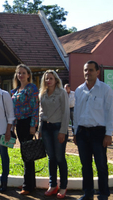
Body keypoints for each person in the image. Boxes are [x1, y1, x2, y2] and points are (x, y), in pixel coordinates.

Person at [73, 60, 113, 200]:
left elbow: (111, 112)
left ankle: (103, 193)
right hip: (82, 132)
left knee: (101, 165)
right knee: (85, 166)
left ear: (97, 72)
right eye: (86, 70)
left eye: (91, 70)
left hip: (98, 133)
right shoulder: (79, 90)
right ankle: (88, 193)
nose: (88, 73)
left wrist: (108, 134)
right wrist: (75, 132)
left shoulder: (105, 89)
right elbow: (76, 114)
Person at [39, 70, 70, 199]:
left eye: (51, 78)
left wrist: (63, 131)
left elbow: (66, 113)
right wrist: (40, 129)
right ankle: (53, 185)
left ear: (56, 80)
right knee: (51, 158)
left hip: (58, 127)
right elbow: (41, 112)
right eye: (46, 78)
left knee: (59, 157)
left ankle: (63, 186)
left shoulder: (61, 93)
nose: (48, 80)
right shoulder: (43, 94)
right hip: (46, 127)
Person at [11, 64, 39, 195]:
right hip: (19, 124)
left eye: (23, 73)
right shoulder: (15, 90)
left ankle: (28, 186)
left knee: (28, 154)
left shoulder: (31, 88)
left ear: (28, 75)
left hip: (28, 123)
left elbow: (35, 107)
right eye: (19, 73)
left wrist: (33, 125)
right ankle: (29, 183)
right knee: (25, 154)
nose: (21, 75)